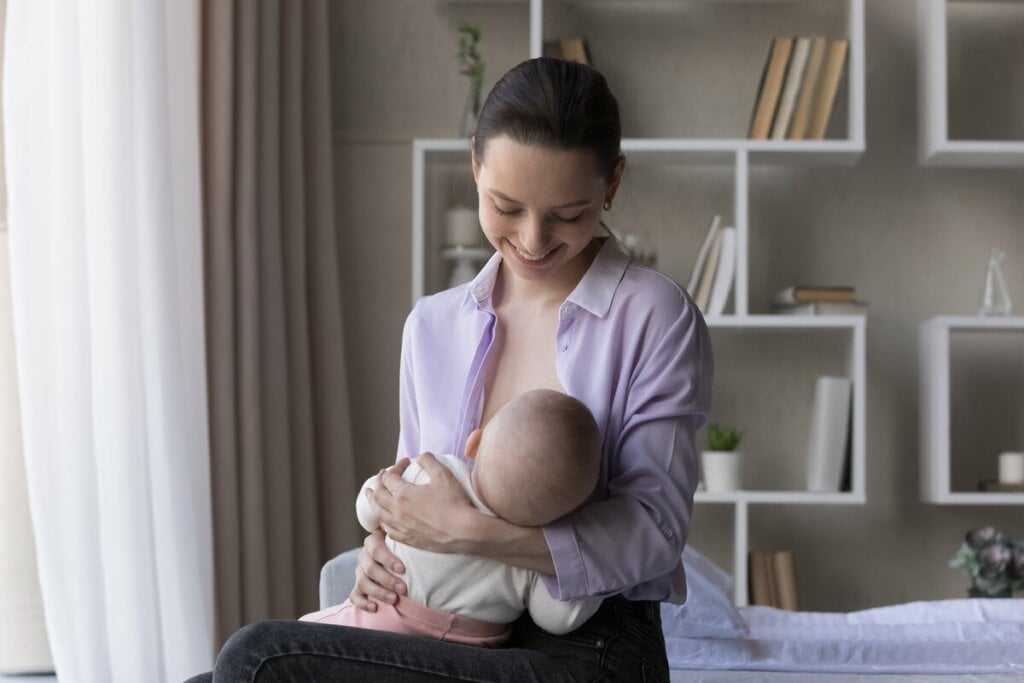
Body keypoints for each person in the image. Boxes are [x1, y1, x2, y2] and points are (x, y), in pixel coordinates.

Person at [188, 55, 712, 682]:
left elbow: (653, 532)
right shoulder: (433, 326)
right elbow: (408, 496)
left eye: (568, 214)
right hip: (448, 630)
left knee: (255, 658)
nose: (533, 239)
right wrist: (380, 551)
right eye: (506, 206)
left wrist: (472, 535)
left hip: (591, 648)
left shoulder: (654, 314)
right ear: (474, 165)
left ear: (612, 184)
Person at [299, 388, 604, 644]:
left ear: (474, 443)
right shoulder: (528, 558)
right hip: (468, 656)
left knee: (284, 643)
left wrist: (376, 522)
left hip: (378, 622)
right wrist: (591, 576)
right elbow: (558, 618)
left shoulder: (432, 476)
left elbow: (369, 508)